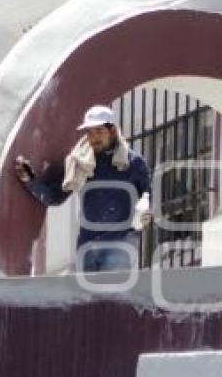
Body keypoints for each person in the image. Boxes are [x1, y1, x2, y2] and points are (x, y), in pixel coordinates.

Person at [14, 104, 151, 272]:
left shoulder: (134, 163)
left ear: (113, 131)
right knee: (87, 298)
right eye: (89, 132)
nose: (94, 138)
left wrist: (143, 213)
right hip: (87, 246)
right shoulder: (81, 162)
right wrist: (30, 180)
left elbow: (147, 198)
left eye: (99, 131)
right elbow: (55, 197)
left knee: (112, 295)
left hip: (120, 244)